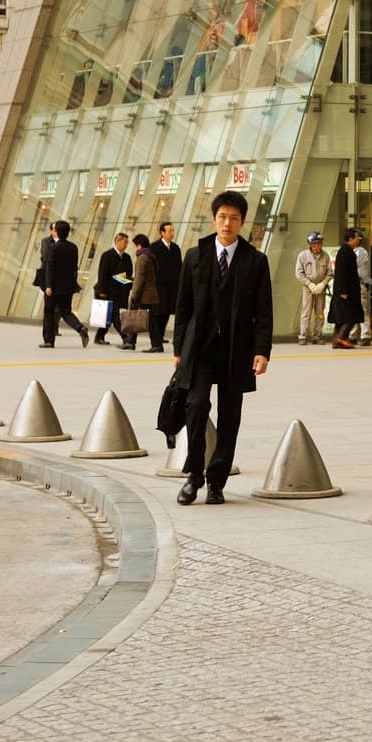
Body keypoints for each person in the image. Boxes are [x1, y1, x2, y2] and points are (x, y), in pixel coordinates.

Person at [172, 191, 274, 506]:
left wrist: (262, 350)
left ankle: (217, 482)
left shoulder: (255, 260)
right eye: (222, 217)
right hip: (200, 349)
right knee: (197, 405)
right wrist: (178, 350)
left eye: (234, 218)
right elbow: (183, 307)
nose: (227, 223)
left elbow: (264, 311)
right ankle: (194, 476)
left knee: (231, 417)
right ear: (214, 219)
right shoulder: (195, 256)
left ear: (242, 222)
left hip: (237, 350)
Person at [38, 220, 89, 349]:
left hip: (54, 287)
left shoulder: (52, 248)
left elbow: (50, 268)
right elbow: (74, 268)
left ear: (57, 232)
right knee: (66, 311)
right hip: (68, 286)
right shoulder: (73, 247)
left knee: (49, 312)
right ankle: (80, 327)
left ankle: (49, 340)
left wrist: (48, 286)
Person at [94, 232, 135, 348]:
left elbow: (128, 273)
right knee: (114, 315)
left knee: (110, 315)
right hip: (108, 290)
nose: (126, 244)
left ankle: (99, 336)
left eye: (127, 242)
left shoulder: (127, 257)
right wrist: (101, 290)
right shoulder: (107, 255)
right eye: (124, 242)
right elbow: (102, 273)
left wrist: (128, 282)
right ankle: (125, 337)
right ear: (117, 241)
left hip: (121, 290)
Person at [128, 234, 165, 353]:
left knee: (149, 321)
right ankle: (131, 342)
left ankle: (156, 345)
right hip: (151, 293)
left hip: (145, 295)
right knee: (144, 318)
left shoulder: (142, 258)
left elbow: (139, 278)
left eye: (135, 246)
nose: (135, 248)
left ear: (139, 245)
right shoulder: (151, 256)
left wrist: (134, 295)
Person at [329, 228, 364, 348]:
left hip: (346, 291)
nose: (357, 240)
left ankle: (337, 340)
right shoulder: (345, 252)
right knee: (351, 315)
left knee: (341, 317)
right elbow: (342, 273)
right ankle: (341, 337)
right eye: (356, 238)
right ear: (350, 239)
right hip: (346, 291)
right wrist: (342, 290)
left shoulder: (346, 251)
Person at [295, 232, 331, 345]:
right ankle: (303, 336)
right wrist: (309, 284)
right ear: (310, 244)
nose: (317, 246)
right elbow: (299, 273)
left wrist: (323, 284)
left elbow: (330, 273)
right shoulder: (303, 255)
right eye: (314, 244)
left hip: (321, 288)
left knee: (320, 313)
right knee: (306, 312)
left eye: (319, 243)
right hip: (308, 288)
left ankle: (317, 336)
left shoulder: (325, 256)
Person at [152, 221, 183, 351]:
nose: (172, 233)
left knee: (165, 314)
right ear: (162, 233)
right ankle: (156, 342)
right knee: (156, 314)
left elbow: (180, 268)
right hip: (157, 287)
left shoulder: (175, 248)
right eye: (169, 231)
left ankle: (160, 338)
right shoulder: (154, 247)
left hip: (172, 288)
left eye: (173, 230)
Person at [356, 234, 372, 346]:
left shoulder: (361, 252)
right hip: (355, 283)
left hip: (359, 283)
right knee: (353, 311)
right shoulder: (355, 251)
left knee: (362, 311)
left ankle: (365, 335)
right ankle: (352, 335)